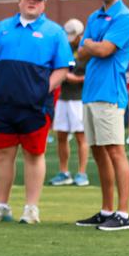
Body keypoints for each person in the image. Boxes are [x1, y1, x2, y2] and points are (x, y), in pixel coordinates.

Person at [0, 0, 71, 225]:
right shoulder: (2, 28)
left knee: (34, 154)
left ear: (44, 4)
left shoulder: (54, 31)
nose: (32, 2)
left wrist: (40, 91)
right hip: (4, 105)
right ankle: (2, 205)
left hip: (35, 107)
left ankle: (31, 208)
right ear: (19, 0)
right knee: (3, 155)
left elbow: (62, 69)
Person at [75, 0, 129, 232]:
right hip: (91, 91)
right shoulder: (94, 16)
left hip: (110, 92)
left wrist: (89, 44)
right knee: (99, 152)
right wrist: (89, 46)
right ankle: (107, 210)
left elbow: (102, 50)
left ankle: (123, 214)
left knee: (115, 151)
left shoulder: (125, 17)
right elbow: (80, 55)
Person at [49, 18, 90, 187]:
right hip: (64, 97)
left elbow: (92, 75)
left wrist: (76, 79)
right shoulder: (63, 49)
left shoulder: (87, 51)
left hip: (78, 99)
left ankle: (82, 173)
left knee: (81, 137)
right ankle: (64, 172)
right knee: (61, 136)